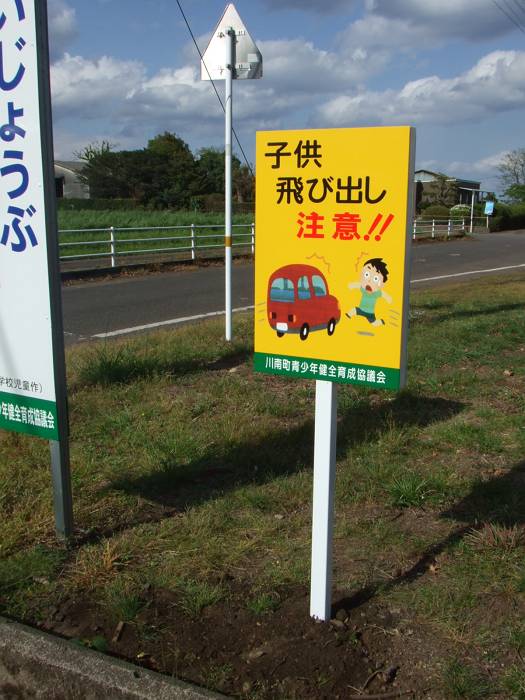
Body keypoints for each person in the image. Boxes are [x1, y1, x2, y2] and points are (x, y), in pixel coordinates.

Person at [346, 257, 392, 327]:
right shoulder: (364, 290)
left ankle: (381, 322)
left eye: (375, 279)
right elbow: (359, 285)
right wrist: (352, 285)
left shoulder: (376, 293)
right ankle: (348, 315)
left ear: (381, 284)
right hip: (361, 309)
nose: (369, 281)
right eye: (366, 274)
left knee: (374, 323)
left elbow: (383, 294)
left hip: (370, 313)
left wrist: (388, 298)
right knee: (354, 310)